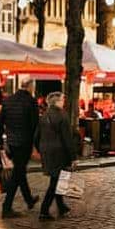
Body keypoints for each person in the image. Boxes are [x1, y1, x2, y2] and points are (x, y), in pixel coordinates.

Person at [0, 78, 40, 218]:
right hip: (25, 143)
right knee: (17, 173)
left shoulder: (8, 100)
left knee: (19, 171)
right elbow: (35, 125)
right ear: (30, 86)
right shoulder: (31, 101)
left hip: (11, 143)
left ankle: (29, 199)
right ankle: (6, 207)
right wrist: (36, 145)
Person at [35, 92, 78, 221]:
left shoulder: (44, 116)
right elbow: (67, 139)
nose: (64, 102)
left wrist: (41, 150)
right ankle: (44, 211)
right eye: (62, 100)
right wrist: (73, 157)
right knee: (55, 182)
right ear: (57, 102)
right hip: (59, 153)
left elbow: (36, 137)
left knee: (59, 179)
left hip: (47, 152)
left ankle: (61, 205)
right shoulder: (62, 116)